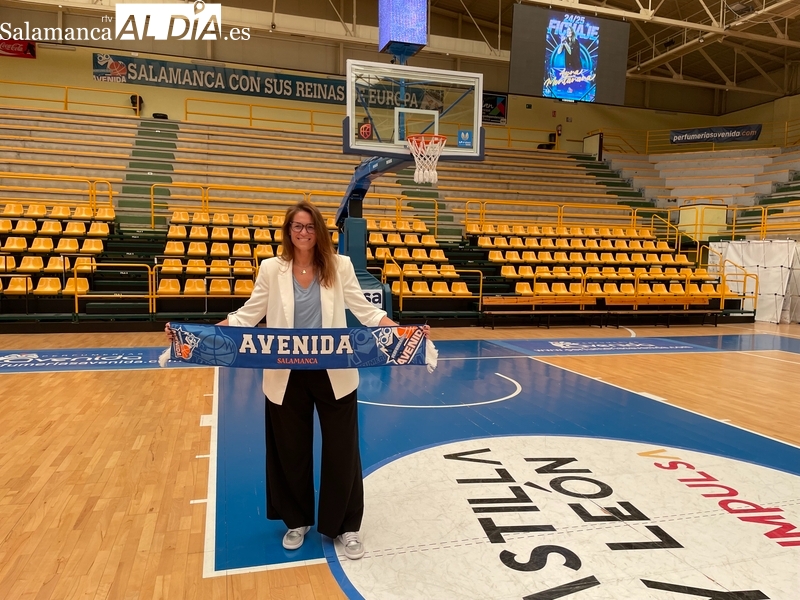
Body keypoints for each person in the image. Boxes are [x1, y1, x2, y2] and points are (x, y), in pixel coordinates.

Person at [166, 200, 427, 560]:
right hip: (285, 373)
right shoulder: (272, 269)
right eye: (297, 227)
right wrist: (198, 335)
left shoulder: (340, 266)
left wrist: (402, 331)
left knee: (341, 451)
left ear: (319, 231)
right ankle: (297, 520)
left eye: (309, 226)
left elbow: (366, 312)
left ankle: (345, 526)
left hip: (333, 372)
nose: (303, 233)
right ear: (289, 232)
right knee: (290, 451)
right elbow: (249, 314)